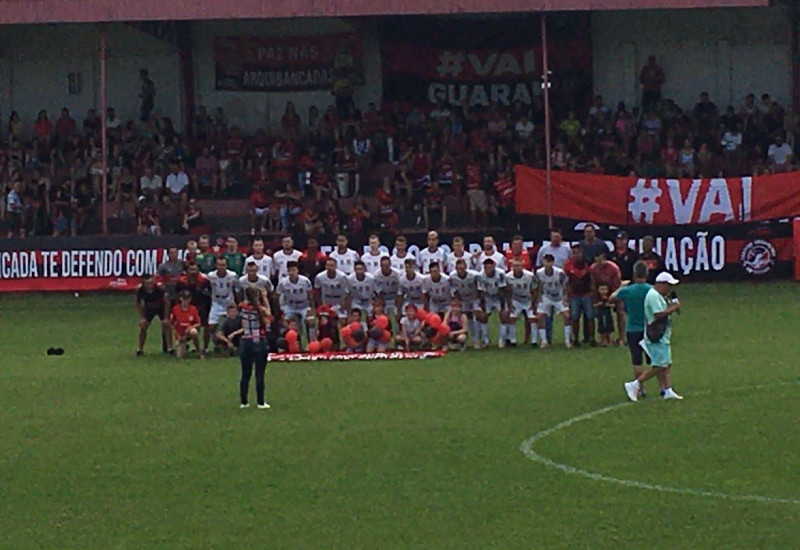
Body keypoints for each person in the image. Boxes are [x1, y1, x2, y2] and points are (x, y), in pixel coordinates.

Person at [624, 272, 683, 402]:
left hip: (662, 334)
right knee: (659, 365)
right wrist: (673, 308)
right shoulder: (654, 296)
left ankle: (667, 390)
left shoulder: (658, 296)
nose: (670, 289)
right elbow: (658, 314)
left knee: (666, 364)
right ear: (661, 284)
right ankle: (635, 384)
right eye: (668, 285)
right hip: (656, 335)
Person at [611, 261, 652, 397]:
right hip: (649, 328)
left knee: (637, 360)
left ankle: (640, 388)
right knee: (656, 361)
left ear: (634, 274)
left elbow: (612, 298)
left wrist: (621, 287)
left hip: (632, 328)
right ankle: (663, 387)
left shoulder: (628, 291)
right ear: (646, 274)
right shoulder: (651, 290)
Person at [238, 286, 272, 409]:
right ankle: (260, 402)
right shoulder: (260, 309)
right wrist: (265, 298)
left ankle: (244, 402)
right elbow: (269, 315)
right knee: (259, 374)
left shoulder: (242, 307)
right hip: (259, 341)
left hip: (245, 341)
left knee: (245, 374)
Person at [536, 254, 572, 349]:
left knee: (567, 316)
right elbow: (539, 284)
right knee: (540, 316)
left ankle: (567, 340)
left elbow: (565, 284)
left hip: (559, 296)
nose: (547, 264)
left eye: (549, 262)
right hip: (546, 296)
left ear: (552, 263)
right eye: (545, 262)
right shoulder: (539, 272)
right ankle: (544, 341)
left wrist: (565, 297)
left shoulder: (559, 272)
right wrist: (539, 297)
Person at [609, 231, 637, 346]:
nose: (619, 242)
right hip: (616, 287)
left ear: (626, 241)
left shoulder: (633, 255)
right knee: (619, 312)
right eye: (618, 239)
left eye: (622, 239)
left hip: (629, 285)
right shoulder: (611, 255)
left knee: (631, 312)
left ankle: (632, 335)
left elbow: (635, 272)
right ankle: (620, 337)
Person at [207, 256, 240, 354]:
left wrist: (237, 304)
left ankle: (230, 344)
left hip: (229, 301)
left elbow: (237, 289)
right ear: (216, 265)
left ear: (226, 265)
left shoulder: (232, 275)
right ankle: (216, 342)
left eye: (223, 265)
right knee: (211, 325)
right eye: (219, 265)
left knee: (232, 323)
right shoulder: (211, 276)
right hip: (216, 301)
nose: (221, 267)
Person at [176, 262, 212, 351]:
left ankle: (205, 348)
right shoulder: (181, 281)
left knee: (206, 326)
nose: (193, 272)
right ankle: (184, 343)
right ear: (187, 271)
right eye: (191, 269)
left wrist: (207, 307)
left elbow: (209, 295)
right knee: (186, 326)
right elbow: (177, 295)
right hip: (187, 308)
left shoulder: (204, 281)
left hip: (202, 306)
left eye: (195, 269)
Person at [564, 243, 595, 347]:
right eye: (574, 253)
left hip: (587, 293)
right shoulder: (568, 265)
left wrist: (592, 292)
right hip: (574, 294)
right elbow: (566, 281)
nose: (576, 255)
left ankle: (592, 338)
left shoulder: (588, 263)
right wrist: (567, 295)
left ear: (582, 253)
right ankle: (576, 339)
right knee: (574, 317)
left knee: (590, 316)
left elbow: (592, 279)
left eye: (578, 253)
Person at [589, 250, 622, 345]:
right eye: (597, 261)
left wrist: (612, 299)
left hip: (614, 292)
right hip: (600, 293)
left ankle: (621, 338)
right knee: (600, 316)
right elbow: (593, 285)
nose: (598, 263)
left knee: (620, 312)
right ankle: (601, 338)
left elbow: (617, 285)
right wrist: (596, 300)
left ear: (604, 259)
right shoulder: (593, 269)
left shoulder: (613, 268)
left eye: (600, 261)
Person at [275, 261, 315, 339]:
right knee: (284, 323)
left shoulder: (305, 281)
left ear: (297, 270)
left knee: (311, 321)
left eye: (293, 270)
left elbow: (310, 295)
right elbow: (277, 295)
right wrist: (280, 311)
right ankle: (287, 341)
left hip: (304, 306)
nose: (292, 273)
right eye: (289, 270)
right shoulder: (283, 282)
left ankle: (312, 341)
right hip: (290, 306)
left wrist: (312, 309)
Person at [476, 258, 509, 349]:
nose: (488, 269)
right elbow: (481, 291)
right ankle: (486, 340)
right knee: (482, 316)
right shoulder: (480, 275)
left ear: (494, 266)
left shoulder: (501, 274)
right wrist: (483, 307)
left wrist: (502, 307)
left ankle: (501, 340)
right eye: (486, 267)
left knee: (503, 316)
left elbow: (502, 289)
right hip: (487, 297)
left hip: (498, 297)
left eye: (490, 267)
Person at [135, 274, 171, 356]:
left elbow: (167, 302)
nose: (150, 285)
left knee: (166, 325)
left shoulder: (160, 288)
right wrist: (142, 317)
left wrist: (166, 317)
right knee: (143, 326)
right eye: (147, 283)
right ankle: (140, 349)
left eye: (151, 283)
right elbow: (138, 303)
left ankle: (169, 348)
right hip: (149, 308)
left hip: (161, 307)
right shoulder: (139, 290)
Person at [449, 258, 481, 349]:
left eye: (462, 269)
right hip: (462, 299)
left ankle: (476, 340)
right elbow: (454, 289)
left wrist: (479, 301)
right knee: (463, 318)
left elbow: (479, 288)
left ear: (466, 267)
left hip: (474, 298)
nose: (460, 271)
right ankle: (461, 340)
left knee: (476, 318)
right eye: (458, 269)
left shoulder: (474, 275)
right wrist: (458, 301)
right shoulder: (452, 276)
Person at [506, 257, 538, 347]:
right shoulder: (508, 277)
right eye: (514, 266)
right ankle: (513, 340)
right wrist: (510, 304)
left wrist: (533, 304)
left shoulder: (530, 276)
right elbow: (507, 291)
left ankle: (534, 341)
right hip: (516, 300)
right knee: (512, 318)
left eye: (518, 266)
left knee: (532, 318)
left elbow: (534, 290)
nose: (516, 268)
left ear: (522, 266)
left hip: (528, 299)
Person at [170, 290, 202, 359]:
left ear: (190, 299)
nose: (185, 301)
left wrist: (190, 327)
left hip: (189, 332)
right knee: (180, 356)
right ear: (180, 299)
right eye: (184, 298)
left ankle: (198, 351)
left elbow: (198, 323)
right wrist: (177, 336)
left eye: (187, 299)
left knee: (194, 332)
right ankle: (184, 346)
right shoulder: (175, 309)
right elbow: (172, 324)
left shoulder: (193, 309)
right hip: (180, 334)